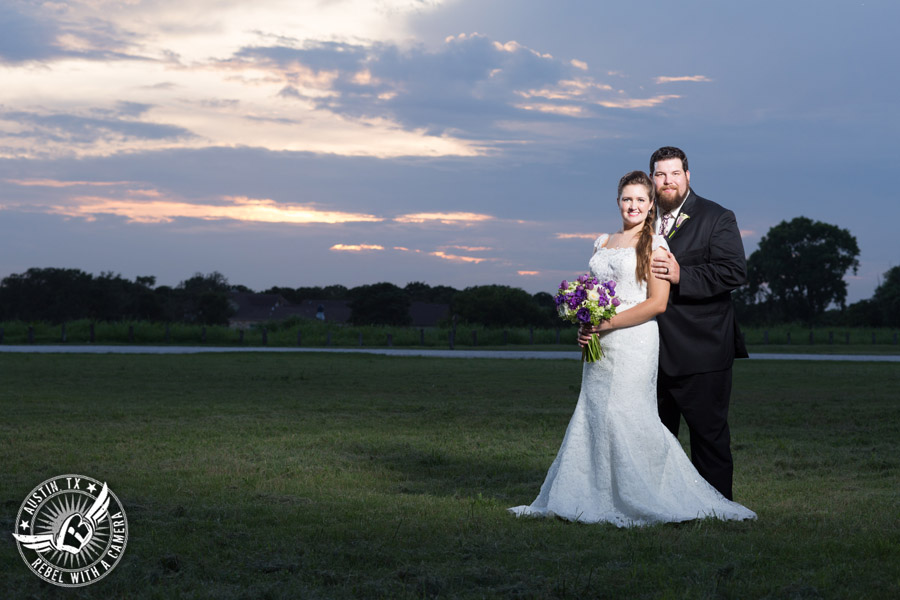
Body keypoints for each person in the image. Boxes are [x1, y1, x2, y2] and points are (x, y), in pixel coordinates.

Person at [508, 171, 755, 526]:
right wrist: (586, 323)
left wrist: (605, 323)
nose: (633, 205)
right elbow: (594, 294)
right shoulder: (602, 242)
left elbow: (656, 304)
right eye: (627, 199)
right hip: (600, 349)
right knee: (595, 414)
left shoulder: (656, 244)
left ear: (651, 204)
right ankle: (591, 494)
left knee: (628, 416)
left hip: (635, 342)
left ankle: (650, 495)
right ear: (618, 201)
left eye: (641, 199)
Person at [647, 146, 748, 501]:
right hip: (651, 351)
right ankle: (663, 505)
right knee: (654, 437)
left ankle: (719, 508)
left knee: (708, 437)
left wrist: (682, 274)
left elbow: (734, 271)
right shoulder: (642, 220)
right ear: (652, 180)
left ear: (688, 177)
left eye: (675, 173)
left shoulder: (717, 217)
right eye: (660, 174)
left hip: (702, 348)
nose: (667, 181)